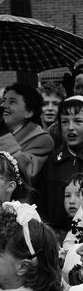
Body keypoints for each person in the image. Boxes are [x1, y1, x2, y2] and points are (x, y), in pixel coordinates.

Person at [0, 83, 54, 181]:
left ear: (29, 112)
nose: (3, 105)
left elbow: (26, 173)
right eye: (3, 100)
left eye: (12, 102)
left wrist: (1, 135)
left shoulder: (42, 140)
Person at [38, 95, 83, 237]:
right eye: (64, 122)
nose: (70, 128)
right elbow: (42, 206)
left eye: (78, 121)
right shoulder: (51, 162)